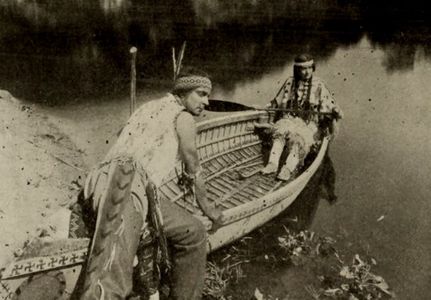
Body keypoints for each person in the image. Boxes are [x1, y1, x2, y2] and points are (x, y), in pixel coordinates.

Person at [75, 66, 222, 300]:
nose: (207, 102)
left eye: (208, 95)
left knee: (193, 232)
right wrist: (210, 211)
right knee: (111, 281)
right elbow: (193, 167)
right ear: (184, 91)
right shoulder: (183, 118)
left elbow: (122, 136)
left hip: (109, 179)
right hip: (125, 185)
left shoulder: (148, 106)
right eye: (201, 93)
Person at [260, 54, 343, 181]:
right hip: (289, 118)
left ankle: (287, 169)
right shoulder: (290, 82)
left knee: (298, 140)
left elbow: (330, 104)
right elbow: (276, 101)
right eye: (303, 69)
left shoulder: (319, 85)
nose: (307, 72)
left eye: (310, 68)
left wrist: (335, 110)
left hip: (309, 123)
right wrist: (265, 107)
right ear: (297, 70)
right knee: (280, 133)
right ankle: (272, 164)